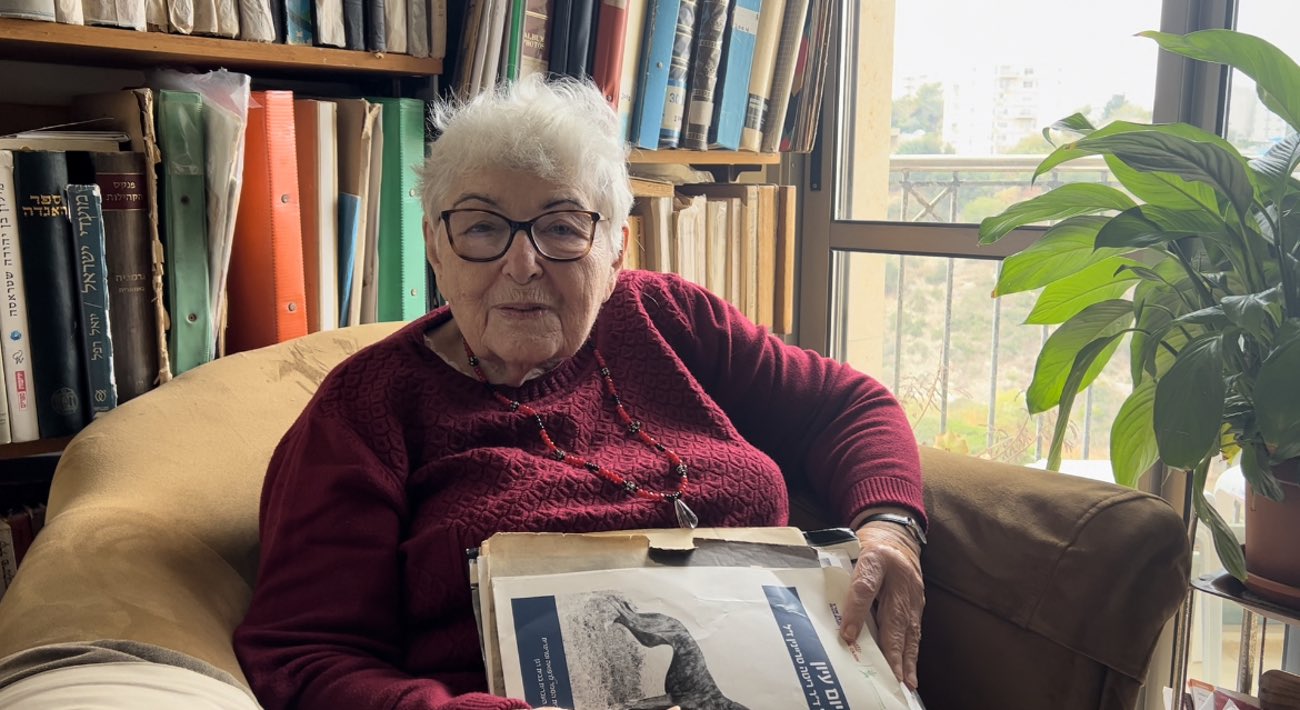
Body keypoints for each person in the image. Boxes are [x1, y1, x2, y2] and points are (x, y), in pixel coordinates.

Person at [232, 77, 926, 710]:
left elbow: (849, 406)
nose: (523, 263)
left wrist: (891, 527)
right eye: (481, 227)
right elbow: (303, 657)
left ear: (616, 248)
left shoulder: (669, 319)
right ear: (434, 246)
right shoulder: (367, 408)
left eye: (563, 227)